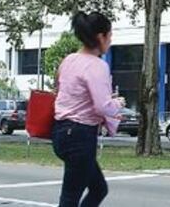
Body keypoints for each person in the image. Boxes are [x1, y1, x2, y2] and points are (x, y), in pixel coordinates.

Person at [51, 11, 125, 207]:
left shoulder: (69, 60)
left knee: (99, 188)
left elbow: (63, 91)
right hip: (80, 136)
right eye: (110, 37)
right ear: (101, 37)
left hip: (60, 132)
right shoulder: (97, 66)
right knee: (70, 198)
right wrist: (118, 104)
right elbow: (103, 106)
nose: (110, 42)